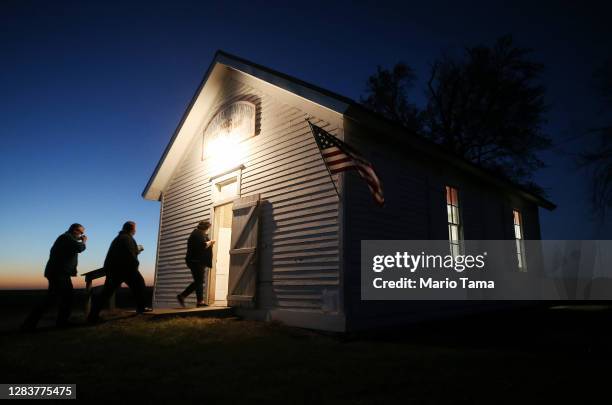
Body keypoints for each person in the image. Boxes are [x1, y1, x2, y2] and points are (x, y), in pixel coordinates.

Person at [21, 223, 87, 331]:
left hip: (58, 273)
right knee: (64, 298)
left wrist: (79, 240)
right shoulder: (66, 238)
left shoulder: (67, 238)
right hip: (59, 273)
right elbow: (79, 248)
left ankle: (31, 324)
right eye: (81, 232)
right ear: (75, 231)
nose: (82, 235)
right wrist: (83, 241)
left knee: (55, 299)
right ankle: (58, 323)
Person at [87, 221, 151, 323]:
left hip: (114, 269)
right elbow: (130, 255)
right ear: (132, 229)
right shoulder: (127, 238)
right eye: (135, 228)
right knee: (140, 285)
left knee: (106, 293)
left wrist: (136, 250)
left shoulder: (120, 238)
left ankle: (92, 316)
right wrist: (135, 266)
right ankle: (141, 308)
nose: (135, 230)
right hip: (125, 269)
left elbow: (124, 252)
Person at [177, 220, 215, 307]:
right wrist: (210, 242)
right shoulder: (197, 234)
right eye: (208, 228)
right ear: (205, 227)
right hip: (196, 261)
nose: (208, 229)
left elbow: (202, 245)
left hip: (197, 261)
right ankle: (183, 296)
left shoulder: (199, 234)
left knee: (199, 281)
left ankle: (198, 301)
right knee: (199, 281)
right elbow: (202, 245)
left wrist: (209, 243)